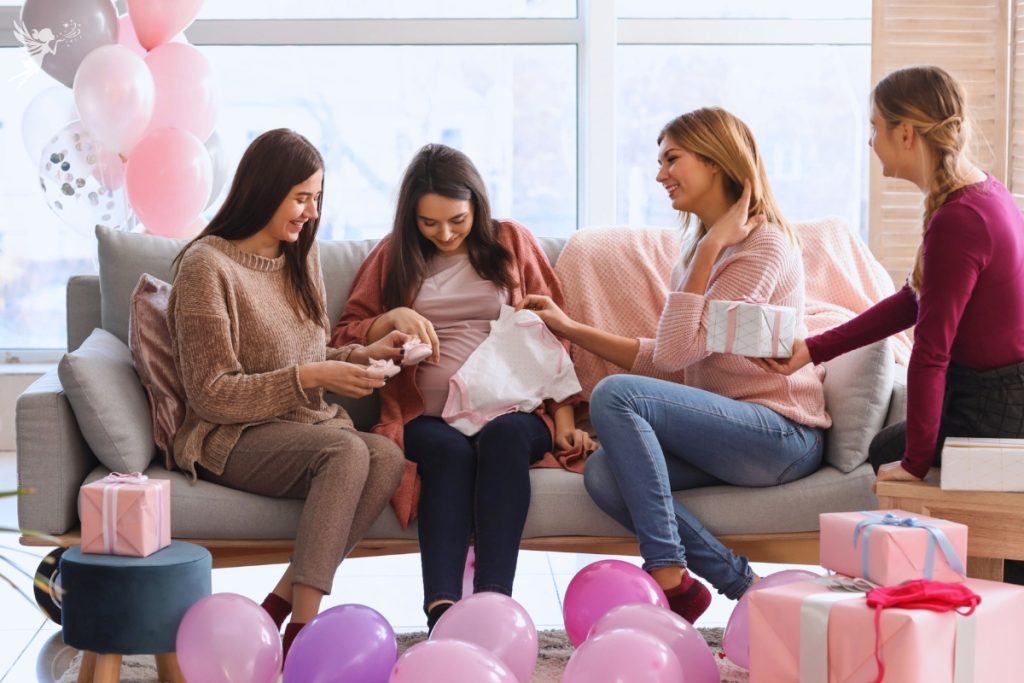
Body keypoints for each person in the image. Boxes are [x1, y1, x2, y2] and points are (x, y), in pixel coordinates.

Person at [522, 107, 830, 623]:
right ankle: (738, 582)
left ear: (716, 161)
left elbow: (671, 353)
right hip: (729, 430)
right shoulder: (699, 252)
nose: (660, 174)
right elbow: (672, 363)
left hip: (780, 434)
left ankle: (667, 569)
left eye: (672, 159)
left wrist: (711, 246)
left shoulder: (763, 246)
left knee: (616, 394)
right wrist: (568, 327)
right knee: (602, 474)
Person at [331, 143, 589, 632]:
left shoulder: (511, 242)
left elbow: (553, 336)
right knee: (449, 454)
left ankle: (493, 606)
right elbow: (344, 334)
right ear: (412, 218)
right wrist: (388, 318)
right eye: (429, 224)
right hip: (426, 418)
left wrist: (564, 421)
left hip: (513, 411)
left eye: (456, 219)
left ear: (478, 205)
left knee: (504, 438)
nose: (444, 234)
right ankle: (442, 612)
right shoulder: (394, 255)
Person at [168, 128, 406, 655]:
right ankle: (302, 632)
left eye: (317, 198)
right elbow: (211, 394)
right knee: (345, 449)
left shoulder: (301, 258)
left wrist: (362, 357)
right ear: (264, 190)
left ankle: (276, 602)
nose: (311, 212)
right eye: (302, 197)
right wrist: (313, 379)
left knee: (385, 456)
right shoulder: (207, 266)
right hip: (228, 436)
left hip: (299, 429)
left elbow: (311, 355)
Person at [763, 65, 1024, 490]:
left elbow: (930, 352)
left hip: (994, 407)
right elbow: (912, 301)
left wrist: (915, 464)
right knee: (887, 448)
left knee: (887, 453)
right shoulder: (981, 192)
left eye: (876, 128)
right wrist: (812, 349)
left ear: (905, 134)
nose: (871, 142)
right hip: (998, 392)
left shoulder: (960, 219)